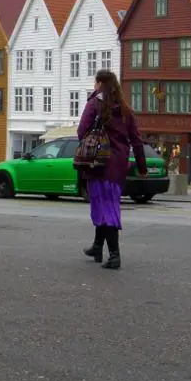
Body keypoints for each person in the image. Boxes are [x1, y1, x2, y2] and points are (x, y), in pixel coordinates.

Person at [78, 70, 147, 270]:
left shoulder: (94, 104)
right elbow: (137, 141)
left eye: (95, 82)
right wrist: (142, 168)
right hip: (118, 166)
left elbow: (81, 130)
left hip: (98, 163)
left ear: (99, 83)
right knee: (105, 204)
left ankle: (115, 255)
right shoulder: (126, 109)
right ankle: (97, 247)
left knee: (106, 208)